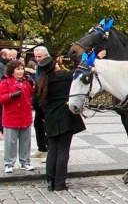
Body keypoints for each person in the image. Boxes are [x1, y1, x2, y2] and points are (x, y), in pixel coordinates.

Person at [36, 56, 86, 191]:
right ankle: (60, 183)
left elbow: (36, 103)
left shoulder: (41, 82)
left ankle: (50, 181)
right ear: (55, 66)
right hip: (66, 118)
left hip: (50, 119)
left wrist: (44, 115)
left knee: (52, 150)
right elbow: (80, 71)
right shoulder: (64, 76)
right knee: (63, 150)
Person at [0, 60, 35, 173]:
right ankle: (9, 163)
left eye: (21, 69)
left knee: (25, 141)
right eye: (17, 69)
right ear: (12, 71)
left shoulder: (26, 82)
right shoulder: (6, 82)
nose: (20, 71)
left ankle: (25, 161)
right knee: (10, 142)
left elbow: (34, 94)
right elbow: (1, 98)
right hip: (12, 116)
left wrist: (33, 84)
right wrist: (10, 96)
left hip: (25, 115)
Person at [31, 46, 50, 160]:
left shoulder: (49, 65)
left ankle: (49, 150)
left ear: (46, 55)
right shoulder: (39, 66)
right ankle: (41, 148)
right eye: (36, 56)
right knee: (38, 124)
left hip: (47, 100)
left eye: (39, 56)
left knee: (47, 126)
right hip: (39, 98)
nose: (37, 59)